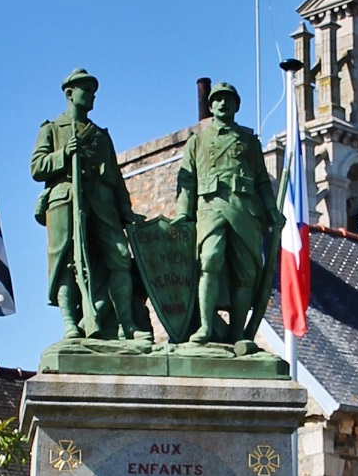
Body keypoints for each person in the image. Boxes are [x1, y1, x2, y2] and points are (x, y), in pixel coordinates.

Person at [31, 68, 149, 341]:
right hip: (67, 201)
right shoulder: (52, 129)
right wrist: (63, 155)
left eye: (93, 91)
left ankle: (126, 325)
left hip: (102, 204)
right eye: (86, 90)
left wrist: (125, 210)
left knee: (120, 258)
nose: (92, 96)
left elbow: (117, 179)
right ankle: (71, 324)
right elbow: (36, 167)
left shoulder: (100, 135)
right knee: (66, 263)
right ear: (70, 94)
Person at [173, 82, 284, 344]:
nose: (223, 103)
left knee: (246, 271)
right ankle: (205, 326)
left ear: (236, 105)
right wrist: (183, 214)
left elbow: (262, 181)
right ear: (210, 106)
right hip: (210, 208)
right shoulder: (197, 141)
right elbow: (186, 182)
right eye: (218, 100)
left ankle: (237, 332)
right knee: (209, 260)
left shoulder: (248, 142)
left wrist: (271, 209)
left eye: (229, 100)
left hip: (244, 210)